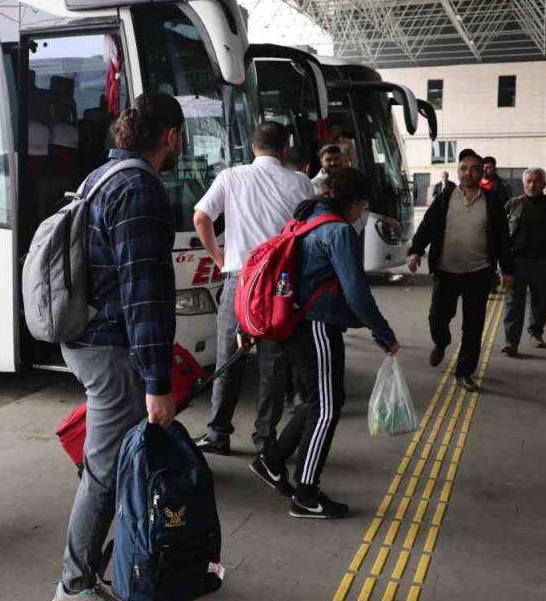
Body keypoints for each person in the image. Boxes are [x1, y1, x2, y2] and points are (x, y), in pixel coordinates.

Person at [52, 92, 182, 601]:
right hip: (109, 346)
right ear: (170, 136)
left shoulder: (101, 176)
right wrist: (157, 382)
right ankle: (74, 586)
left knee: (115, 463)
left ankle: (123, 561)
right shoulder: (139, 188)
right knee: (105, 472)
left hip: (86, 335)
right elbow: (144, 294)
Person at [267, 168, 399, 519]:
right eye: (363, 207)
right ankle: (306, 494)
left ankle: (272, 459)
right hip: (317, 327)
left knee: (322, 399)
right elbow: (356, 292)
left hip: (295, 322)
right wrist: (383, 332)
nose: (362, 213)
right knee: (326, 409)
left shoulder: (308, 215)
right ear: (356, 203)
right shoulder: (339, 231)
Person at [190, 121, 313, 476]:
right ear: (285, 149)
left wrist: (219, 258)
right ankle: (265, 439)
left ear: (252, 146)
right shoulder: (301, 182)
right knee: (272, 366)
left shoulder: (231, 177)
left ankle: (218, 433)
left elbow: (201, 217)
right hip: (280, 287)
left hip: (240, 280)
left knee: (229, 359)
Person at [408, 149, 513, 392]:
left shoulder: (491, 201)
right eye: (464, 168)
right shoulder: (446, 197)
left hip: (479, 272)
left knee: (474, 326)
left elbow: (502, 238)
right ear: (458, 171)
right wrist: (415, 251)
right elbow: (428, 225)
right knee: (437, 317)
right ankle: (441, 342)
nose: (469, 173)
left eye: (475, 169)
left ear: (482, 172)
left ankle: (464, 372)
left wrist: (508, 269)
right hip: (446, 272)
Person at [501, 168, 546, 357]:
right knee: (514, 303)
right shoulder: (513, 204)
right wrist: (503, 262)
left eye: (537, 181)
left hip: (545, 262)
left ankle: (536, 333)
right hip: (517, 262)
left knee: (540, 301)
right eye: (529, 181)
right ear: (523, 184)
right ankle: (511, 341)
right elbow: (502, 235)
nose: (532, 185)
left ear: (544, 184)